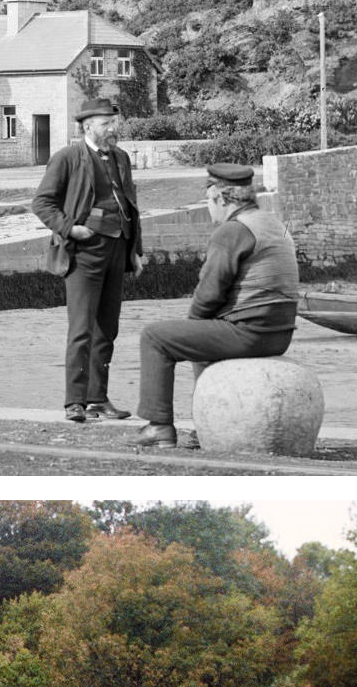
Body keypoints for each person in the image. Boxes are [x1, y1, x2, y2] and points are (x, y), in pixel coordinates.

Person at [134, 164, 300, 448]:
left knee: (155, 337)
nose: (209, 210)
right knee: (202, 336)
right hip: (279, 333)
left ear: (221, 199)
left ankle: (158, 425)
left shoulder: (232, 231)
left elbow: (210, 291)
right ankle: (205, 426)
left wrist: (191, 324)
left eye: (208, 202)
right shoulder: (270, 223)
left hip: (251, 332)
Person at [31, 90, 144, 422]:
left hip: (117, 250)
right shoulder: (67, 158)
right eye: (107, 123)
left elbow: (131, 205)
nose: (112, 128)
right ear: (88, 127)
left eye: (113, 122)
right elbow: (42, 203)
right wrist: (70, 229)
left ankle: (98, 398)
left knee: (107, 329)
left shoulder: (120, 157)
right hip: (83, 252)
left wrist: (135, 251)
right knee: (81, 328)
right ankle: (74, 402)